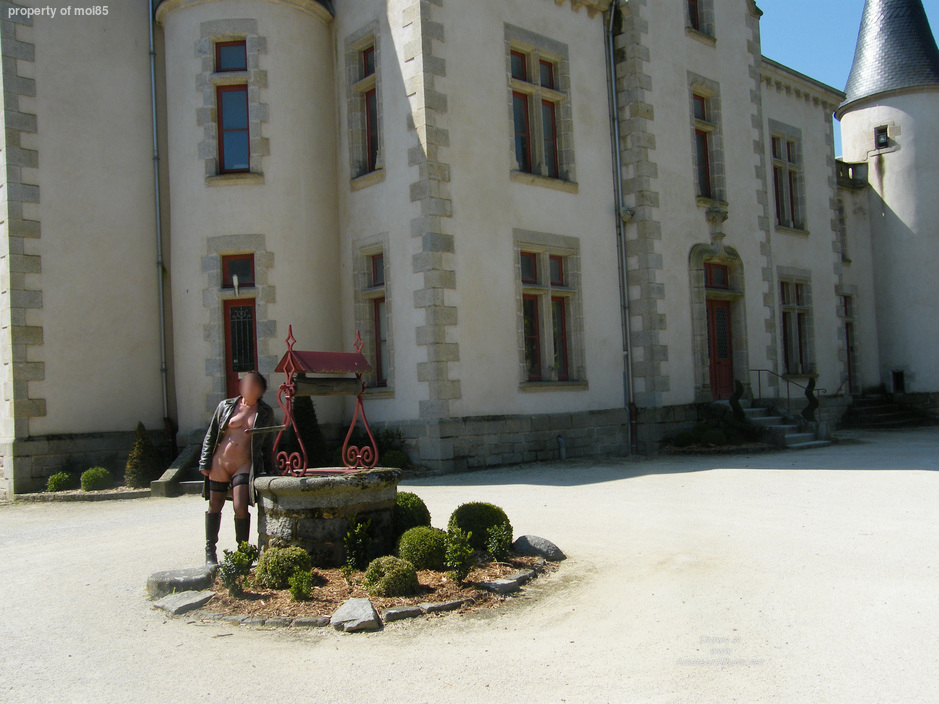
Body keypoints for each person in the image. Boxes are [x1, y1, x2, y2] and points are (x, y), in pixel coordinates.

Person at [198, 371, 276, 564]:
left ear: (260, 390)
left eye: (252, 385)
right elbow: (211, 434)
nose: (247, 387)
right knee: (214, 505)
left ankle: (242, 552)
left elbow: (268, 443)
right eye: (246, 383)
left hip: (243, 464)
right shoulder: (225, 406)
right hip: (220, 462)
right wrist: (205, 462)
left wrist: (270, 469)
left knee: (240, 506)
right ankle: (210, 551)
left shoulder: (265, 412)